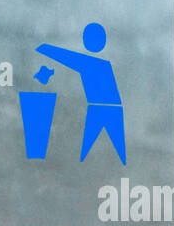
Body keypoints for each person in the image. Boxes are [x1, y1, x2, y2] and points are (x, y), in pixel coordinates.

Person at [36, 22, 126, 164]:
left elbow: (72, 59)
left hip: (107, 108)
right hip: (100, 107)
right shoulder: (98, 62)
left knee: (116, 150)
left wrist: (46, 49)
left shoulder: (98, 63)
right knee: (89, 153)